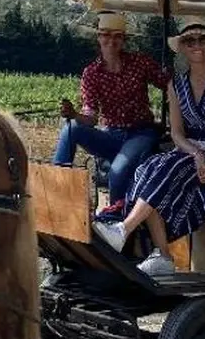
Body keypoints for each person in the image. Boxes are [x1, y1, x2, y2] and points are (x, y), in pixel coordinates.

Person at [92, 19, 205, 275]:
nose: (197, 45)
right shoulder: (176, 85)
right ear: (181, 47)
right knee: (148, 168)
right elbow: (177, 133)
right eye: (190, 41)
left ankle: (125, 230)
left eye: (202, 39)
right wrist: (195, 153)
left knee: (168, 168)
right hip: (189, 148)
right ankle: (161, 253)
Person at [54, 11, 169, 211]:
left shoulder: (140, 63)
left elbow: (169, 85)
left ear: (124, 39)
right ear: (98, 38)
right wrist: (74, 115)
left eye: (117, 35)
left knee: (117, 171)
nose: (111, 40)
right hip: (111, 134)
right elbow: (90, 116)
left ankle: (116, 220)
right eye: (106, 34)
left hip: (140, 132)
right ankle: (58, 187)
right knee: (71, 128)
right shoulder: (91, 73)